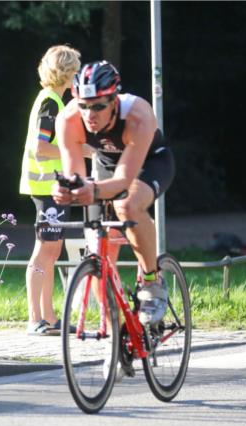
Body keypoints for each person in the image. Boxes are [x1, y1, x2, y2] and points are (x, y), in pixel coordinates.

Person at [52, 61, 175, 324]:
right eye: (83, 105)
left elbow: (123, 180)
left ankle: (152, 281)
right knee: (99, 251)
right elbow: (77, 177)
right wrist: (67, 190)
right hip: (106, 166)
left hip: (149, 163)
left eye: (98, 106)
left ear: (114, 100)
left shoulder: (138, 115)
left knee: (127, 206)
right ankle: (115, 333)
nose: (89, 114)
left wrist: (92, 189)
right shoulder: (68, 119)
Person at [18, 45, 83, 336]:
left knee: (51, 250)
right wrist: (73, 149)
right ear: (67, 72)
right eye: (76, 70)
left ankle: (49, 318)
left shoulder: (51, 100)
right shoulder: (51, 103)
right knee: (45, 250)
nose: (78, 76)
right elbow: (41, 148)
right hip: (46, 187)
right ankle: (36, 319)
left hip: (50, 187)